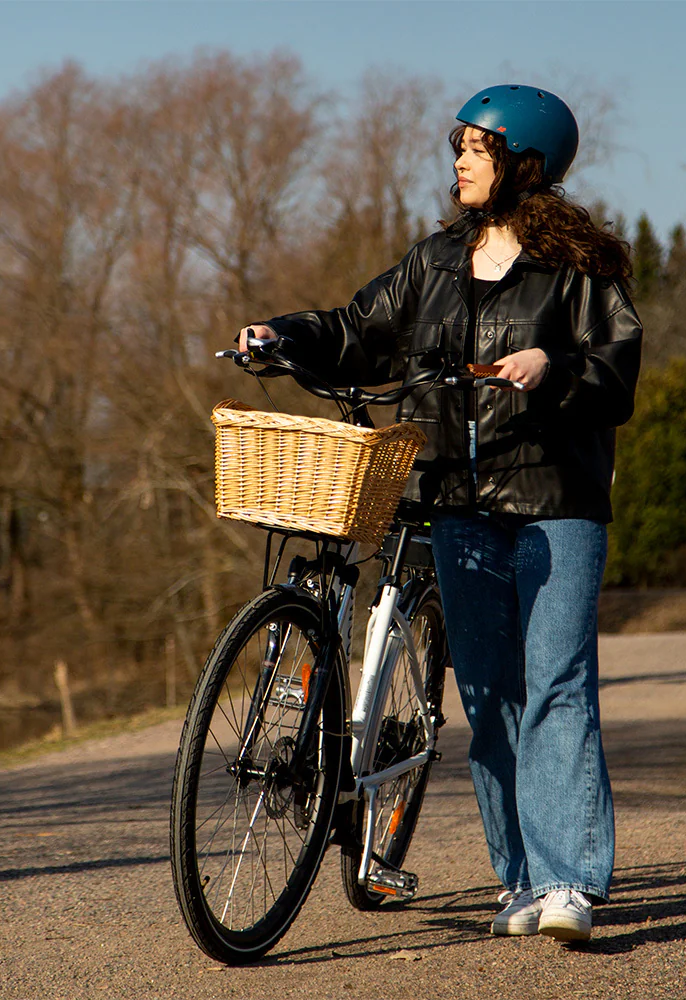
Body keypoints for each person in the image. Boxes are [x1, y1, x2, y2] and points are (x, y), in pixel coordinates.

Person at [239, 84, 642, 943]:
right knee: (491, 697)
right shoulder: (431, 264)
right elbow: (355, 329)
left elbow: (615, 377)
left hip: (553, 502)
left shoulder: (583, 271)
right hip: (455, 503)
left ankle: (572, 880)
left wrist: (554, 365)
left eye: (476, 146)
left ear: (522, 163)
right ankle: (522, 882)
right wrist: (283, 333)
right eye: (457, 144)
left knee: (558, 685)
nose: (458, 158)